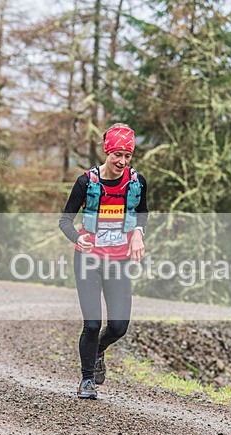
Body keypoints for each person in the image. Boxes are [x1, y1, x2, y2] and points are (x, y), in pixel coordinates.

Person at [59, 123, 148, 400]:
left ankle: (98, 350)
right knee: (92, 323)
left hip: (118, 261)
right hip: (89, 259)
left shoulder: (137, 182)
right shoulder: (86, 182)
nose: (122, 161)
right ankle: (87, 379)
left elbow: (142, 213)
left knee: (119, 327)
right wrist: (78, 238)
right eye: (117, 154)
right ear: (107, 152)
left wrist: (138, 233)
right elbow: (65, 221)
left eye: (127, 156)